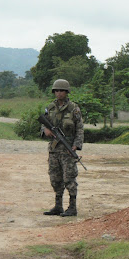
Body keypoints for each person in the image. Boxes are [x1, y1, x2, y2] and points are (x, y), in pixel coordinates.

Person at [42, 79, 84, 217]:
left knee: (69, 178)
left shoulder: (73, 108)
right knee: (55, 178)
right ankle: (58, 206)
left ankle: (72, 207)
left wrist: (76, 145)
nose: (59, 93)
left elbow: (80, 128)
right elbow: (44, 123)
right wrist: (45, 130)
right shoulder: (50, 107)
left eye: (61, 91)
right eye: (57, 91)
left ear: (66, 92)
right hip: (54, 149)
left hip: (67, 149)